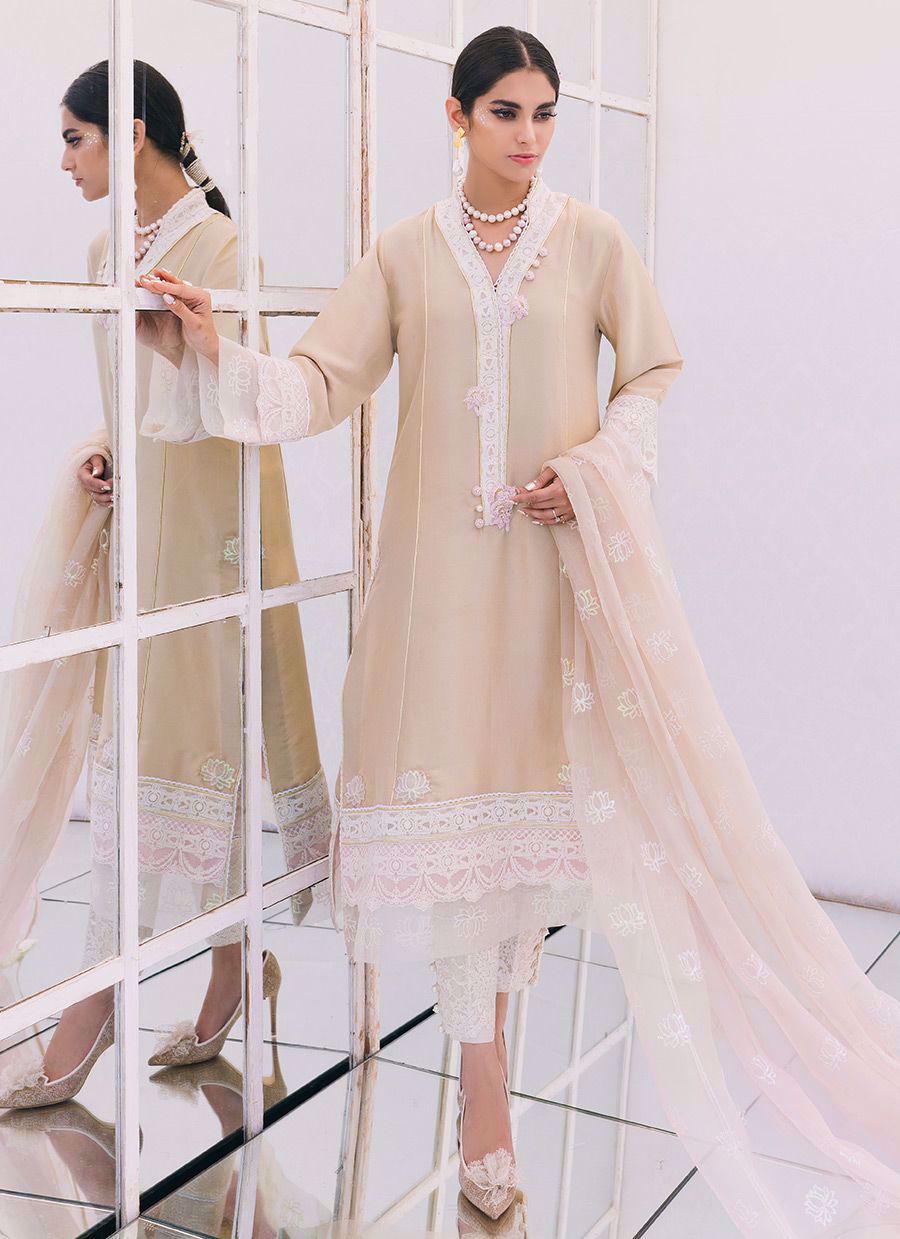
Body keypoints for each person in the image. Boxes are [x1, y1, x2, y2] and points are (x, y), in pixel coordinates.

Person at [131, 25, 900, 1233]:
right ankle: (483, 1087)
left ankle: (485, 1080)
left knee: (522, 848)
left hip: (547, 587)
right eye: (506, 113)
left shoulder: (591, 243)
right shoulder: (404, 255)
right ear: (457, 117)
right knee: (455, 833)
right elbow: (317, 387)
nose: (530, 136)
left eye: (545, 113)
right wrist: (214, 347)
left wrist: (596, 467)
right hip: (433, 597)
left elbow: (654, 373)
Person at [0, 61, 328, 1109]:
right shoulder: (107, 251)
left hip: (210, 542)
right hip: (138, 536)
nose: (64, 161)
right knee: (141, 762)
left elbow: (247, 404)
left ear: (130, 133)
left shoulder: (223, 249)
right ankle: (230, 970)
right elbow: (124, 395)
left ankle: (97, 1016)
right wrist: (107, 448)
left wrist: (194, 353)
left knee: (189, 754)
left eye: (75, 138)